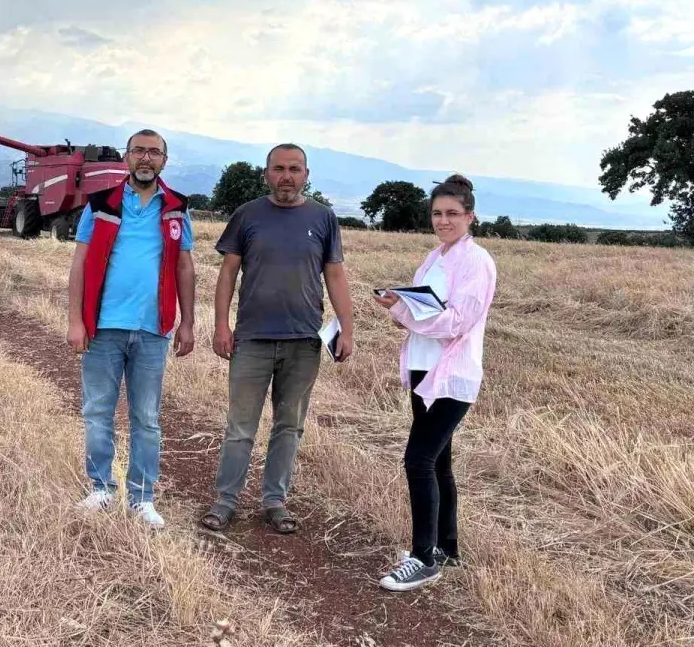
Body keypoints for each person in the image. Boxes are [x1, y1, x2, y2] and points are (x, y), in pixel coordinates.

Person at [200, 144, 355, 535]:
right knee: (241, 427)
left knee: (289, 426)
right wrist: (221, 326)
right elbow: (228, 273)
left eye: (295, 169)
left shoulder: (323, 218)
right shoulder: (247, 215)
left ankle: (274, 501)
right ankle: (226, 501)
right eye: (279, 168)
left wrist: (347, 329)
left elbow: (335, 275)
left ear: (306, 175)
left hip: (304, 341)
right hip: (252, 339)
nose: (287, 176)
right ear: (266, 174)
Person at [66, 129, 196, 529]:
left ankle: (142, 498)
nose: (146, 158)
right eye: (138, 150)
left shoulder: (176, 208)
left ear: (164, 161)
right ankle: (101, 489)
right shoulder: (100, 205)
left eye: (154, 152)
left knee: (147, 418)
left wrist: (188, 323)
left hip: (153, 331)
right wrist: (75, 320)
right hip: (103, 328)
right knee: (97, 412)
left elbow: (185, 267)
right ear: (126, 157)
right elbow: (79, 264)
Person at [373, 174, 496, 592]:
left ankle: (423, 559)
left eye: (452, 214)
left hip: (452, 376)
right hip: (423, 368)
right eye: (437, 213)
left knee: (418, 460)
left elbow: (458, 321)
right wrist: (399, 302)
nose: (443, 221)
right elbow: (422, 311)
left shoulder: (476, 261)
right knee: (439, 461)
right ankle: (446, 548)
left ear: (470, 216)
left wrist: (405, 312)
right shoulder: (434, 257)